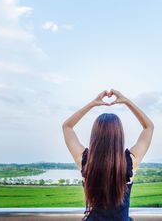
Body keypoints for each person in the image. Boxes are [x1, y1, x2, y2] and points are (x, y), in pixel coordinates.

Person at [62, 89, 154, 221]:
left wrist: (93, 103)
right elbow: (148, 127)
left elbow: (67, 126)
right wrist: (126, 101)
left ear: (94, 136)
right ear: (120, 136)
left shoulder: (85, 160)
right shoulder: (130, 162)